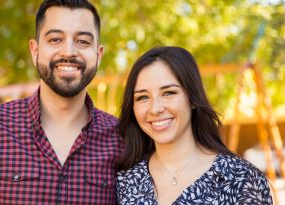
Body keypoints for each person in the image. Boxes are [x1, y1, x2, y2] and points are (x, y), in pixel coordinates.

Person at [0, 0, 123, 204]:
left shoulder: (124, 140)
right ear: (35, 50)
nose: (69, 52)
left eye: (83, 41)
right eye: (55, 39)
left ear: (98, 55)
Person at [116, 46, 273, 204]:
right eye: (142, 97)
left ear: (192, 98)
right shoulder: (124, 180)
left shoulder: (240, 178)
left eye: (168, 93)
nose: (155, 109)